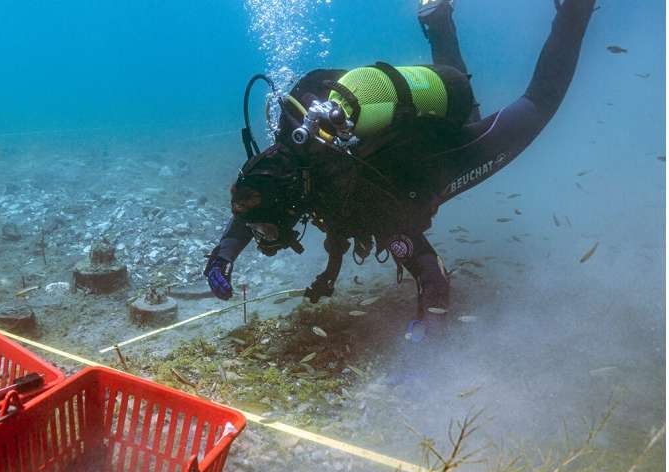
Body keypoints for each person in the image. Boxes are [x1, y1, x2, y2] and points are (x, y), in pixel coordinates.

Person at [205, 0, 597, 340]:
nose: (264, 238)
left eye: (266, 231)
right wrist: (222, 257)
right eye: (260, 231)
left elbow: (431, 274)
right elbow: (257, 203)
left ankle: (576, 9)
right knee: (469, 105)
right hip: (416, 132)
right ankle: (437, 18)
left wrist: (426, 336)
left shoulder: (366, 203)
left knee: (538, 104)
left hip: (445, 158)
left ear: (289, 207)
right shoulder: (292, 156)